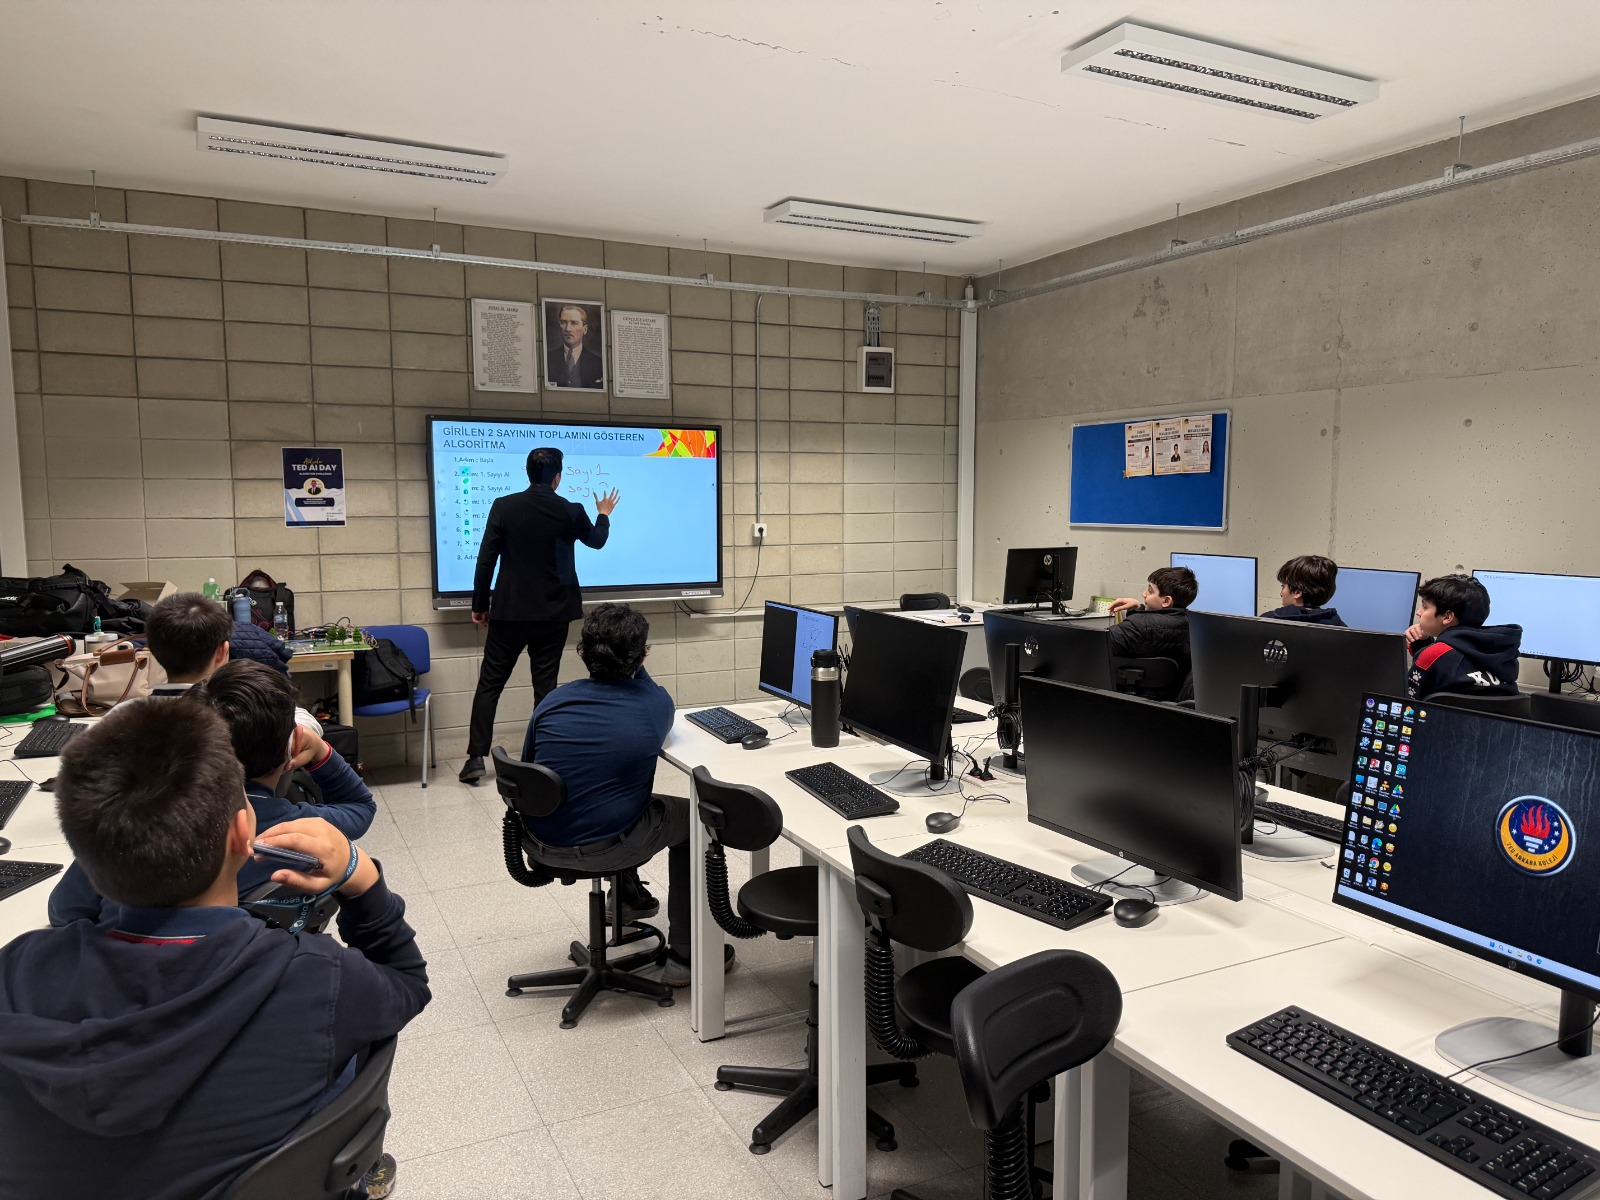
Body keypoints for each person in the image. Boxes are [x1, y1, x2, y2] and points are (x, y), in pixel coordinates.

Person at [0, 701, 429, 1200]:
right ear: (244, 833)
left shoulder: (17, 971)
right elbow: (408, 984)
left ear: (81, 852)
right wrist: (363, 880)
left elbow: (65, 914)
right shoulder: (315, 977)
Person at [46, 661, 376, 928]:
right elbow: (360, 806)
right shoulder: (296, 829)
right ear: (291, 747)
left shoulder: (133, 820)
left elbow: (65, 911)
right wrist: (321, 752)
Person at [519, 603, 728, 986]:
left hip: (538, 842)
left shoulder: (553, 700)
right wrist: (635, 664)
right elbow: (647, 690)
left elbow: (528, 770)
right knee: (697, 818)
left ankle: (628, 899)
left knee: (609, 791)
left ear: (583, 652)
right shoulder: (654, 706)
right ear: (643, 654)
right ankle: (686, 956)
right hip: (608, 847)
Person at [461, 446, 620, 784]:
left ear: (527, 472)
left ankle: (475, 759)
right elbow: (597, 541)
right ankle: (539, 757)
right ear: (557, 478)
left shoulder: (503, 506)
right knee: (545, 687)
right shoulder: (570, 510)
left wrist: (479, 604)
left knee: (490, 684)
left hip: (509, 611)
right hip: (552, 613)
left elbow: (486, 559)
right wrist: (604, 514)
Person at [144, 591, 319, 733]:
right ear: (222, 652)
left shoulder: (130, 714)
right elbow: (303, 729)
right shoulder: (243, 718)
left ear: (153, 651)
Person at [1405, 574, 1523, 699]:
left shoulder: (1433, 655)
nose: (1418, 612)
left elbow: (1408, 703)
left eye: (1425, 607)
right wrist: (1423, 644)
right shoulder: (1502, 653)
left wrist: (1426, 652)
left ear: (1447, 616)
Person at [1108, 566, 1199, 699]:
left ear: (1166, 601)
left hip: (1128, 698)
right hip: (1169, 701)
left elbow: (1097, 646)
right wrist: (1138, 608)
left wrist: (1137, 616)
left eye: (1150, 591)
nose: (1144, 594)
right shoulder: (1195, 628)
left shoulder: (1137, 625)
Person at [1260, 555, 1347, 625]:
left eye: (1283, 587)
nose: (1281, 594)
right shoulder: (1340, 627)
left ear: (1297, 593)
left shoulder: (1266, 621)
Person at [546, 303, 605, 389]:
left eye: (574, 323)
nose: (567, 329)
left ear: (585, 329)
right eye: (563, 322)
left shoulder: (599, 363)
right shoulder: (547, 359)